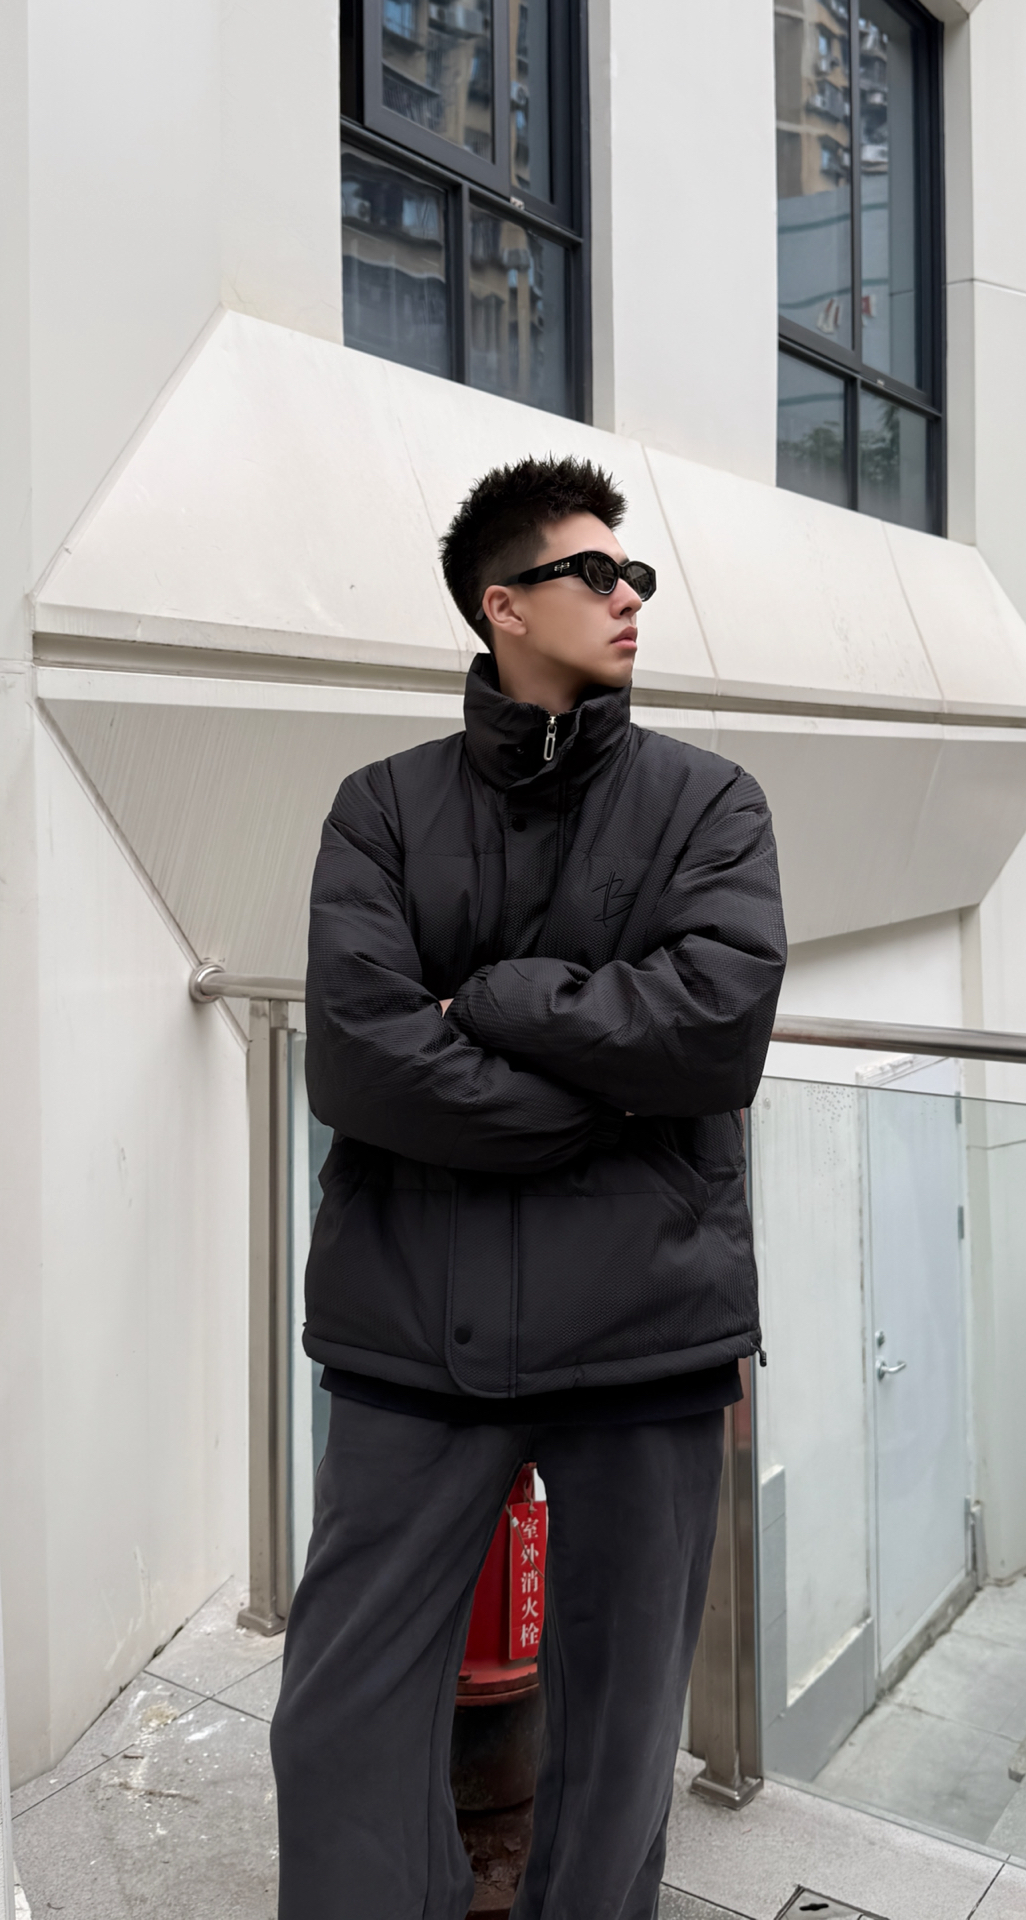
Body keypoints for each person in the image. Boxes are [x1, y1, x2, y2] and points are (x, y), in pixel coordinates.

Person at [270, 455, 786, 1919]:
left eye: (637, 576)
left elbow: (714, 1029)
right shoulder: (380, 810)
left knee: (621, 1750)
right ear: (503, 605)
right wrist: (599, 1094)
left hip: (646, 1332)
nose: (630, 597)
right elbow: (361, 1063)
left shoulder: (709, 803)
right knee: (336, 1725)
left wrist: (493, 999)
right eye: (595, 573)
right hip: (412, 1332)